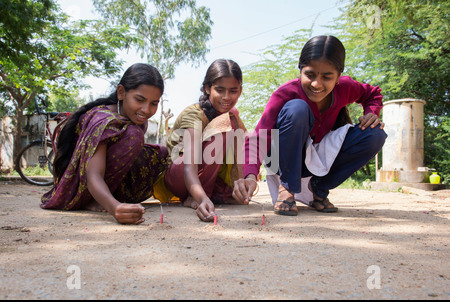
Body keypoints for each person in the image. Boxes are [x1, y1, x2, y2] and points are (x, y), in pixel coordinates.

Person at [233, 35, 387, 215]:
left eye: (327, 77)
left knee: (375, 133)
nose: (316, 84)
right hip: (281, 158)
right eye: (310, 75)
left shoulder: (345, 88)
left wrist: (371, 113)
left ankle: (318, 189)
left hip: (315, 158)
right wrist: (251, 176)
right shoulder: (286, 93)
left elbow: (372, 94)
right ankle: (287, 189)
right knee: (297, 108)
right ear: (300, 70)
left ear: (338, 76)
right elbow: (259, 137)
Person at [41, 63, 168, 225]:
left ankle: (109, 195)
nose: (146, 109)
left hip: (110, 181)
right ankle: (93, 199)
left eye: (154, 103)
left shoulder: (134, 118)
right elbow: (93, 174)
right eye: (139, 99)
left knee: (160, 154)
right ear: (121, 93)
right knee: (133, 136)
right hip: (84, 183)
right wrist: (114, 207)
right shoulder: (102, 121)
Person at [163, 59, 248, 222]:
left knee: (230, 122)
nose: (227, 97)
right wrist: (202, 198)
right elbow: (189, 166)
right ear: (208, 88)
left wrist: (245, 181)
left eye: (233, 91)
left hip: (206, 177)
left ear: (240, 90)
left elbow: (245, 147)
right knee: (224, 126)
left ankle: (215, 194)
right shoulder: (194, 115)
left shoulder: (232, 116)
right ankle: (200, 195)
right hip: (180, 177)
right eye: (220, 90)